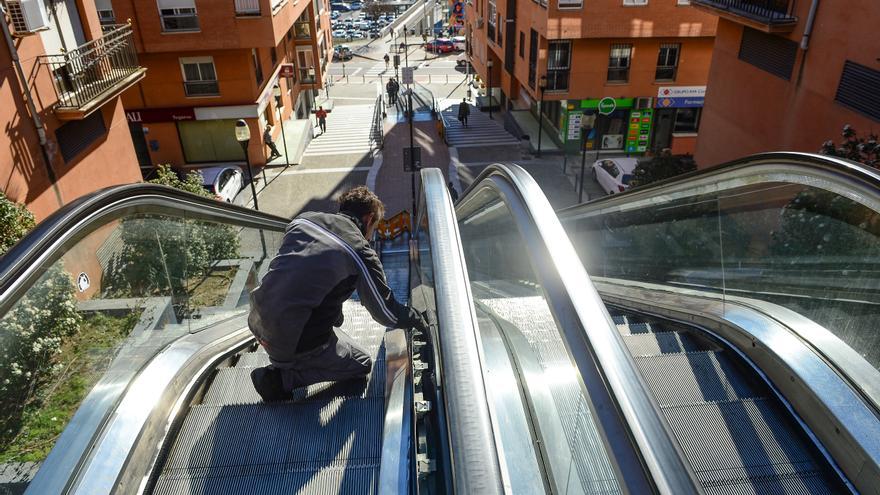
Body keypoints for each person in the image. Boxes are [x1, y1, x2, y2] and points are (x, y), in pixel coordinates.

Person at [248, 186, 428, 402]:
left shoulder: (303, 220)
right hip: (290, 340)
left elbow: (302, 275)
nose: (371, 236)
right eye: (374, 228)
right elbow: (386, 314)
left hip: (258, 320)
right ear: (369, 219)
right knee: (362, 363)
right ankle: (282, 379)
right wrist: (418, 319)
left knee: (334, 329)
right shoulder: (359, 250)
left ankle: (290, 358)